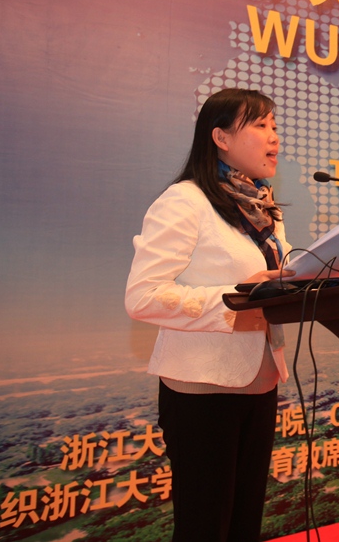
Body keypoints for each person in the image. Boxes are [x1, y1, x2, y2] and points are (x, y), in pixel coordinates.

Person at [125, 88, 293, 542]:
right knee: (205, 527)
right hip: (202, 390)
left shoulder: (262, 207)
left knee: (243, 525)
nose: (274, 137)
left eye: (275, 126)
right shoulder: (185, 201)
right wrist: (236, 300)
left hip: (260, 380)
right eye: (260, 125)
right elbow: (143, 296)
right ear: (220, 137)